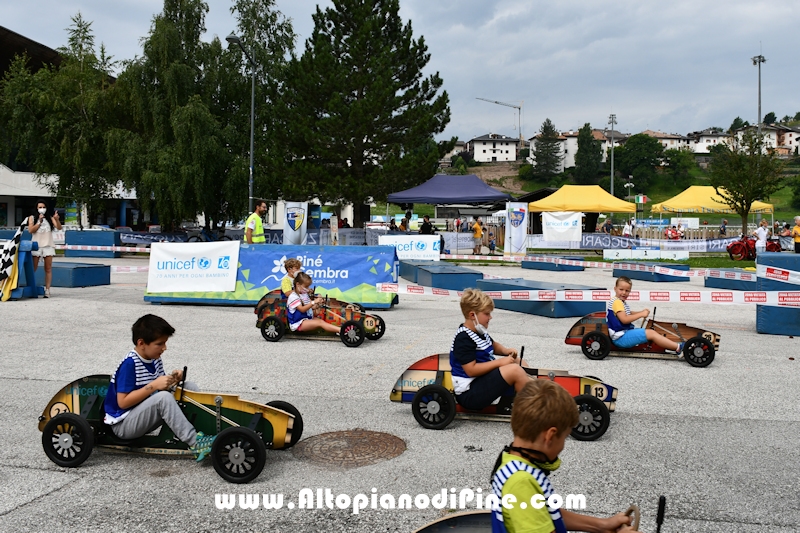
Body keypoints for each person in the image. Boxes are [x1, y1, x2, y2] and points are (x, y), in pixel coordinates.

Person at [490, 379, 639, 533]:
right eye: (565, 437)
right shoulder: (521, 483)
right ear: (550, 436)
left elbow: (547, 513)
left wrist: (602, 525)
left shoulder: (510, 460)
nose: (563, 446)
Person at [102, 314, 216, 461]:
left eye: (165, 343)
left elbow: (160, 388)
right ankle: (195, 443)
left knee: (188, 386)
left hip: (141, 414)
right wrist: (153, 385)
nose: (164, 348)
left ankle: (204, 431)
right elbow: (122, 402)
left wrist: (174, 380)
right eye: (160, 344)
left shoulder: (154, 358)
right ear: (141, 343)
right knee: (164, 398)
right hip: (124, 424)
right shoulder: (130, 364)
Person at [450, 289, 530, 413]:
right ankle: (535, 409)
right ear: (472, 315)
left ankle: (515, 398)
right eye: (486, 314)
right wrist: (501, 362)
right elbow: (471, 370)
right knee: (514, 370)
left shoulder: (479, 331)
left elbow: (492, 345)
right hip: (469, 394)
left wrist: (505, 351)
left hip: (480, 383)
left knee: (520, 362)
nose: (490, 317)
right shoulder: (463, 338)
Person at [608, 276, 683, 353]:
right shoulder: (617, 302)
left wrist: (640, 312)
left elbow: (627, 313)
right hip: (620, 338)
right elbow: (624, 320)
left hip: (622, 334)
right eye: (621, 289)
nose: (624, 293)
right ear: (615, 289)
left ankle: (673, 345)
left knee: (649, 331)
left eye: (627, 291)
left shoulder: (617, 301)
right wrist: (641, 314)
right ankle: (678, 348)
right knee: (651, 333)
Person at [28, 200, 62, 298]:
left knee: (48, 268)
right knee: (33, 268)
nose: (42, 209)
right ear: (36, 208)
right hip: (36, 246)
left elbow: (58, 227)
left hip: (48, 245)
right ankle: (31, 287)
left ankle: (47, 290)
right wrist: (39, 222)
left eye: (43, 207)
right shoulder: (32, 218)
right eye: (40, 207)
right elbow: (31, 230)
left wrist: (57, 219)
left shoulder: (50, 218)